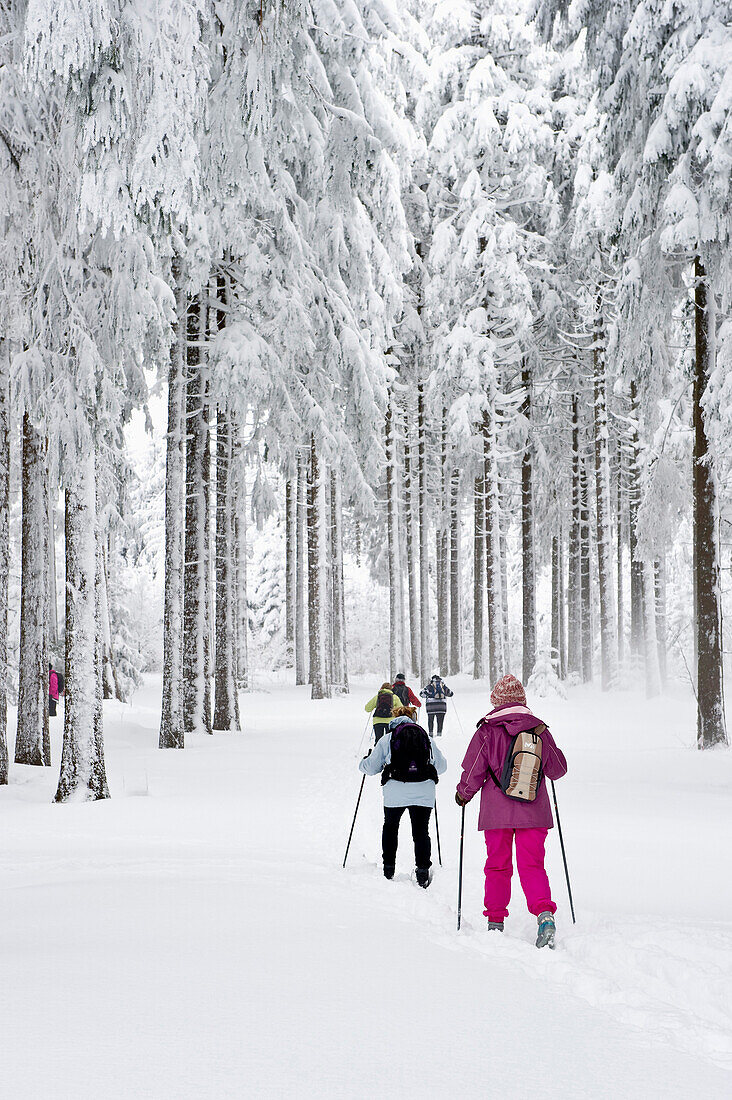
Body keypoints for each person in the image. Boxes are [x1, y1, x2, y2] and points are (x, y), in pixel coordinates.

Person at [455, 673, 567, 948]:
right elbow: (558, 770)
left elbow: (473, 772)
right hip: (534, 813)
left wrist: (462, 795)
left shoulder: (486, 730)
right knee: (533, 866)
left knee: (497, 866)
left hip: (496, 814)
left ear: (497, 701)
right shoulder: (539, 730)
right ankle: (545, 917)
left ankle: (495, 922)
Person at [360, 705, 447, 887]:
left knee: (391, 827)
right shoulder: (426, 738)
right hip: (424, 791)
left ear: (395, 717)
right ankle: (422, 871)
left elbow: (371, 767)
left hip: (395, 791)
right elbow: (441, 766)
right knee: (421, 830)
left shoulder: (387, 739)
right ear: (413, 717)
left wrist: (363, 762)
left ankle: (388, 868)